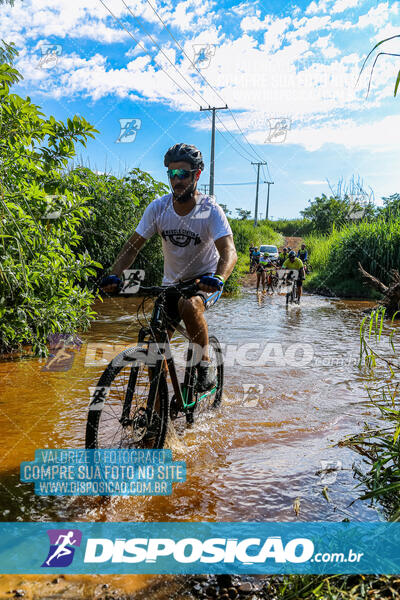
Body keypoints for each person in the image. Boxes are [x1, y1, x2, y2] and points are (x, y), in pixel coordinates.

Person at [100, 143, 237, 391]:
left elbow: (229, 252)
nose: (177, 180)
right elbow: (132, 247)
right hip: (170, 284)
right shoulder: (158, 208)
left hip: (204, 281)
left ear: (196, 175)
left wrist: (220, 278)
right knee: (155, 348)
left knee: (190, 304)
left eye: (183, 174)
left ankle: (204, 364)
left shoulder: (209, 210)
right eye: (172, 174)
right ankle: (158, 416)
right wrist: (113, 275)